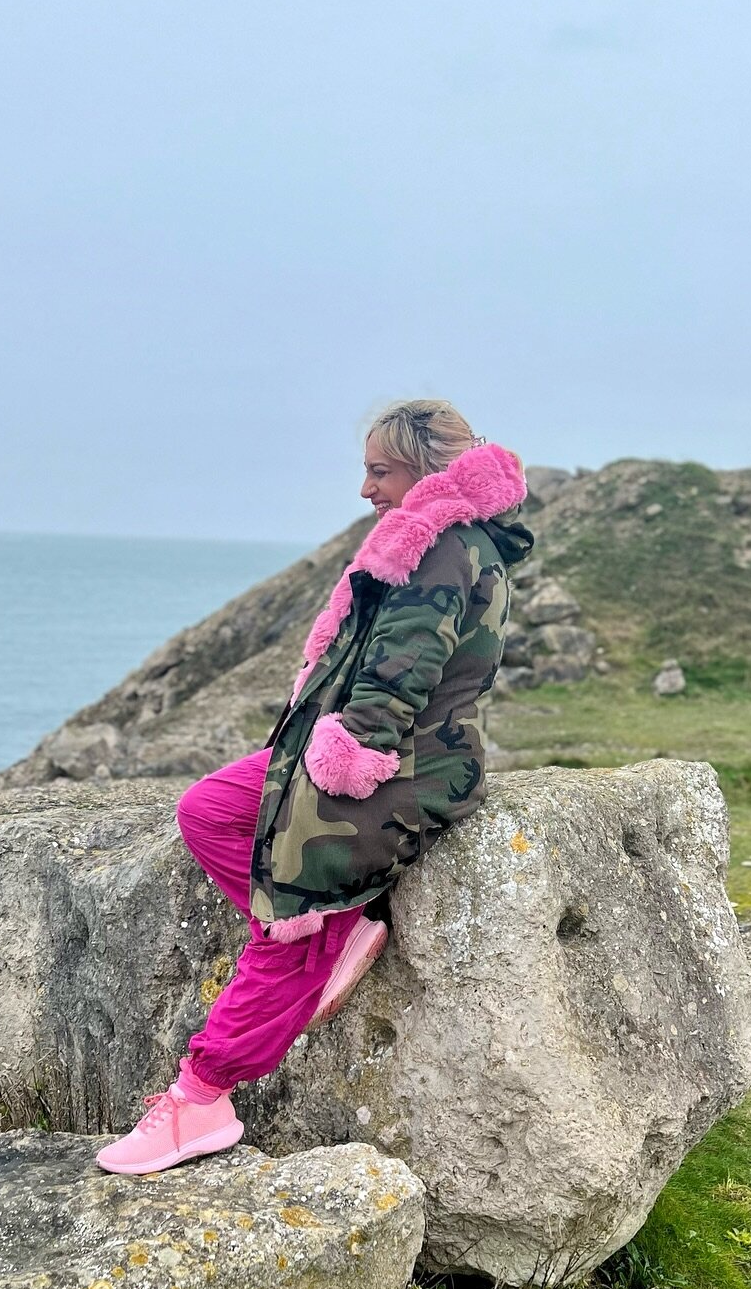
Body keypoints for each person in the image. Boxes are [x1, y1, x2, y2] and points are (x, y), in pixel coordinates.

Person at [96, 397, 535, 1174]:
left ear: (427, 470)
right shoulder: (428, 535)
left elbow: (403, 671)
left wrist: (348, 759)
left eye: (380, 471)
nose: (365, 489)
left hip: (401, 762)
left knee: (291, 918)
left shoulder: (444, 547)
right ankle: (337, 931)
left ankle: (202, 1098)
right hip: (354, 743)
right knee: (208, 810)